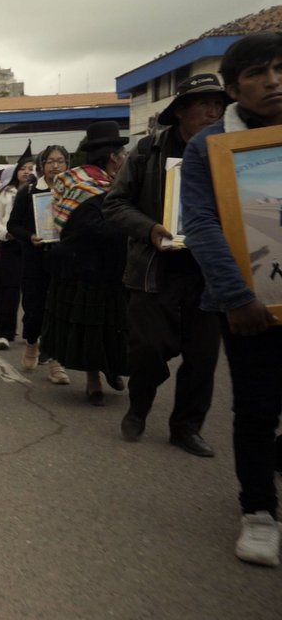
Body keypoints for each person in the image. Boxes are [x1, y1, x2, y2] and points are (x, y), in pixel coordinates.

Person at [180, 32, 282, 567]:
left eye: (280, 69)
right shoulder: (208, 147)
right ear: (235, 88)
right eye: (258, 73)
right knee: (257, 407)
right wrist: (237, 297)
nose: (273, 82)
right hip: (249, 305)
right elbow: (201, 223)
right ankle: (259, 511)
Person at [103, 74, 229, 455]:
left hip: (209, 270)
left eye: (219, 105)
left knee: (202, 357)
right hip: (154, 268)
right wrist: (150, 229)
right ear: (181, 111)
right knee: (149, 350)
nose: (213, 112)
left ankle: (186, 428)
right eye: (204, 104)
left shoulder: (228, 150)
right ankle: (138, 408)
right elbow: (114, 204)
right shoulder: (148, 151)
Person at [40, 121, 130, 406]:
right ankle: (94, 380)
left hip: (113, 267)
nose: (124, 159)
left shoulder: (116, 184)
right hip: (85, 269)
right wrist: (128, 229)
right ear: (113, 157)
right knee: (92, 326)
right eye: (121, 154)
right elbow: (85, 228)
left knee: (112, 325)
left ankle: (111, 366)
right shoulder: (79, 184)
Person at [6, 146, 72, 382]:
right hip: (35, 260)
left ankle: (56, 362)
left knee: (59, 311)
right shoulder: (29, 191)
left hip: (63, 261)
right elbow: (13, 225)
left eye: (60, 161)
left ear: (67, 165)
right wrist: (30, 236)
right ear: (42, 166)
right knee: (34, 311)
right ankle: (32, 342)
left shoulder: (74, 192)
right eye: (50, 161)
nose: (55, 166)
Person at [0, 150, 37, 350]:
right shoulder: (5, 193)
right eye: (22, 168)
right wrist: (5, 233)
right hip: (12, 245)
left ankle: (31, 333)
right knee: (9, 290)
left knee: (33, 291)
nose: (26, 172)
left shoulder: (40, 191)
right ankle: (4, 334)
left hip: (35, 246)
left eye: (31, 168)